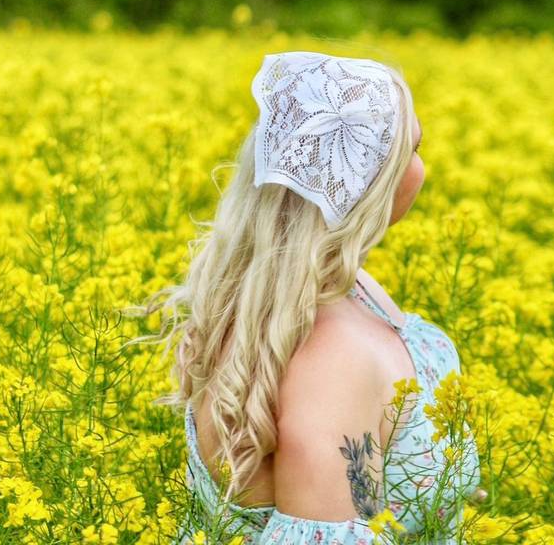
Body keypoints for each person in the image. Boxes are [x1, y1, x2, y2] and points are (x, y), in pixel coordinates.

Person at [126, 51, 487, 543]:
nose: (420, 169)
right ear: (369, 177)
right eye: (413, 150)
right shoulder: (330, 355)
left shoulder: (309, 297)